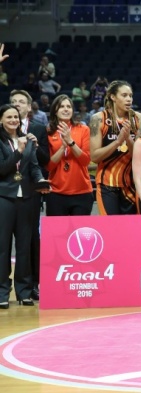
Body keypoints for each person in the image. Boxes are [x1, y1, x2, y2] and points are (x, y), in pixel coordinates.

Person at [0, 104, 50, 309]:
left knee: (24, 248)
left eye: (15, 116)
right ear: (1, 121)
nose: (13, 120)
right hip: (4, 198)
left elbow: (35, 168)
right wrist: (19, 151)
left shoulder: (28, 140)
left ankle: (24, 291)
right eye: (8, 117)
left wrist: (41, 182)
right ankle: (2, 292)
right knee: (3, 248)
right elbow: (2, 169)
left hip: (28, 198)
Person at [89, 80, 141, 215]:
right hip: (107, 183)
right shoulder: (98, 119)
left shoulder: (140, 119)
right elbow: (95, 157)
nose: (129, 99)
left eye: (130, 96)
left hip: (132, 184)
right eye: (124, 95)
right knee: (111, 230)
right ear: (113, 97)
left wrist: (128, 139)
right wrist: (118, 141)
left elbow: (139, 156)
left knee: (131, 230)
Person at [45, 94, 93, 216]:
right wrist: (62, 147)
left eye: (69, 106)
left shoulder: (83, 129)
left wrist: (70, 142)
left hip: (82, 192)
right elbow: (48, 166)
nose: (66, 109)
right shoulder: (48, 132)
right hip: (56, 192)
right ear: (55, 110)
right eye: (61, 106)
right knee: (57, 234)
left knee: (78, 233)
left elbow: (86, 161)